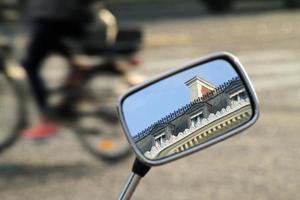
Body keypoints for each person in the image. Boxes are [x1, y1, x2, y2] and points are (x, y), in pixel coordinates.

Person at [21, 0, 92, 139]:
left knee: (30, 65)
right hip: (75, 16)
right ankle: (76, 72)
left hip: (51, 16)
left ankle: (47, 120)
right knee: (57, 48)